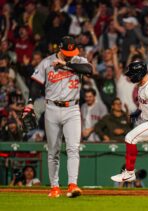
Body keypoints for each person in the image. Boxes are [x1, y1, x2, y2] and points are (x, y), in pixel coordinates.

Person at [23, 36, 93, 198]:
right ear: (59, 49)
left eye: (72, 51)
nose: (70, 54)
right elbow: (35, 84)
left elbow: (89, 70)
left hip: (72, 109)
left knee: (73, 148)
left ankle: (72, 185)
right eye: (67, 52)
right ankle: (54, 187)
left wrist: (66, 65)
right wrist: (30, 103)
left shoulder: (78, 60)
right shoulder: (47, 62)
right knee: (53, 150)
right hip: (52, 108)